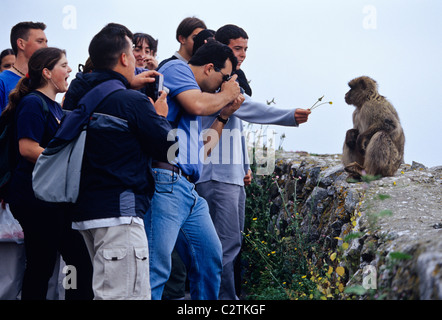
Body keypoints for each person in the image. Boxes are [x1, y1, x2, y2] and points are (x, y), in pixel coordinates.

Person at [194, 24, 312, 300]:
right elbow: (249, 109)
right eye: (237, 49)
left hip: (230, 173)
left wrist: (245, 166)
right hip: (216, 174)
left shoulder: (231, 80)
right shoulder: (219, 84)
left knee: (229, 244)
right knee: (223, 247)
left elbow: (236, 129)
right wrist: (289, 116)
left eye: (245, 49)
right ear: (222, 51)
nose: (243, 54)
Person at [63, 23, 175, 300]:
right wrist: (159, 116)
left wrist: (123, 83)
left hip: (86, 212)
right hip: (120, 214)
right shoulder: (132, 102)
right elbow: (170, 149)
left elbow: (82, 86)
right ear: (124, 58)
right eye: (132, 54)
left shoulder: (79, 96)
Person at [144, 40, 243, 300]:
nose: (224, 84)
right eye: (224, 77)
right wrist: (228, 93)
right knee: (157, 268)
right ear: (209, 68)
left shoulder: (195, 96)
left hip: (188, 188)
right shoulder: (178, 69)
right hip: (166, 179)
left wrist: (223, 114)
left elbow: (202, 151)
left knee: (210, 260)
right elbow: (198, 105)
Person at [2, 47, 93, 300]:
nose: (70, 70)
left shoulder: (53, 106)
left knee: (74, 262)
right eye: (64, 65)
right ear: (47, 72)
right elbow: (27, 148)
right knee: (44, 266)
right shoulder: (33, 103)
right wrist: (65, 161)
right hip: (35, 200)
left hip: (51, 200)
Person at [0, 22, 48, 112]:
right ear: (21, 44)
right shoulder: (2, 81)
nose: (46, 47)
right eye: (40, 41)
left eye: (46, 42)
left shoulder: (44, 81)